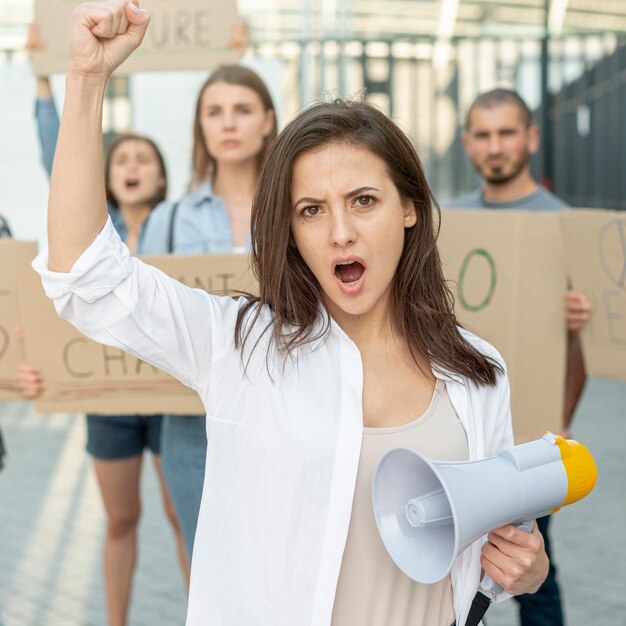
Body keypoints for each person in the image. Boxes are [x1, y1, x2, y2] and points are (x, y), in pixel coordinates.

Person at [34, 3, 550, 625]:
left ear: (410, 208)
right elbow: (86, 280)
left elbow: (488, 554)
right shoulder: (238, 347)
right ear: (291, 232)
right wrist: (86, 80)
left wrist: (525, 567)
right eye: (311, 210)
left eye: (363, 201)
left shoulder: (480, 373)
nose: (340, 233)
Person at [24, 26, 190, 624]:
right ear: (105, 175)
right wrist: (44, 78)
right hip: (111, 400)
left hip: (175, 399)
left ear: (163, 173)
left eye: (144, 158)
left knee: (182, 515)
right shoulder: (95, 234)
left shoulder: (183, 223)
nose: (132, 166)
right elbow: (58, 158)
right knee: (121, 519)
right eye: (120, 159)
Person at [444, 88, 592, 626]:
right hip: (460, 434)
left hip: (529, 440)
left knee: (532, 573)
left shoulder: (565, 226)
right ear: (467, 144)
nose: (495, 146)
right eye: (482, 135)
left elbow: (578, 353)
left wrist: (558, 429)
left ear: (530, 138)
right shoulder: (448, 223)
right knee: (456, 569)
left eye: (506, 132)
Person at [138, 63, 276, 559]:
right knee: (210, 571)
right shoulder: (167, 219)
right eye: (214, 112)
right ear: (201, 126)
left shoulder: (299, 210)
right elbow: (140, 320)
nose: (229, 123)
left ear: (267, 120)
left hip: (281, 419)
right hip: (192, 431)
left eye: (242, 110)